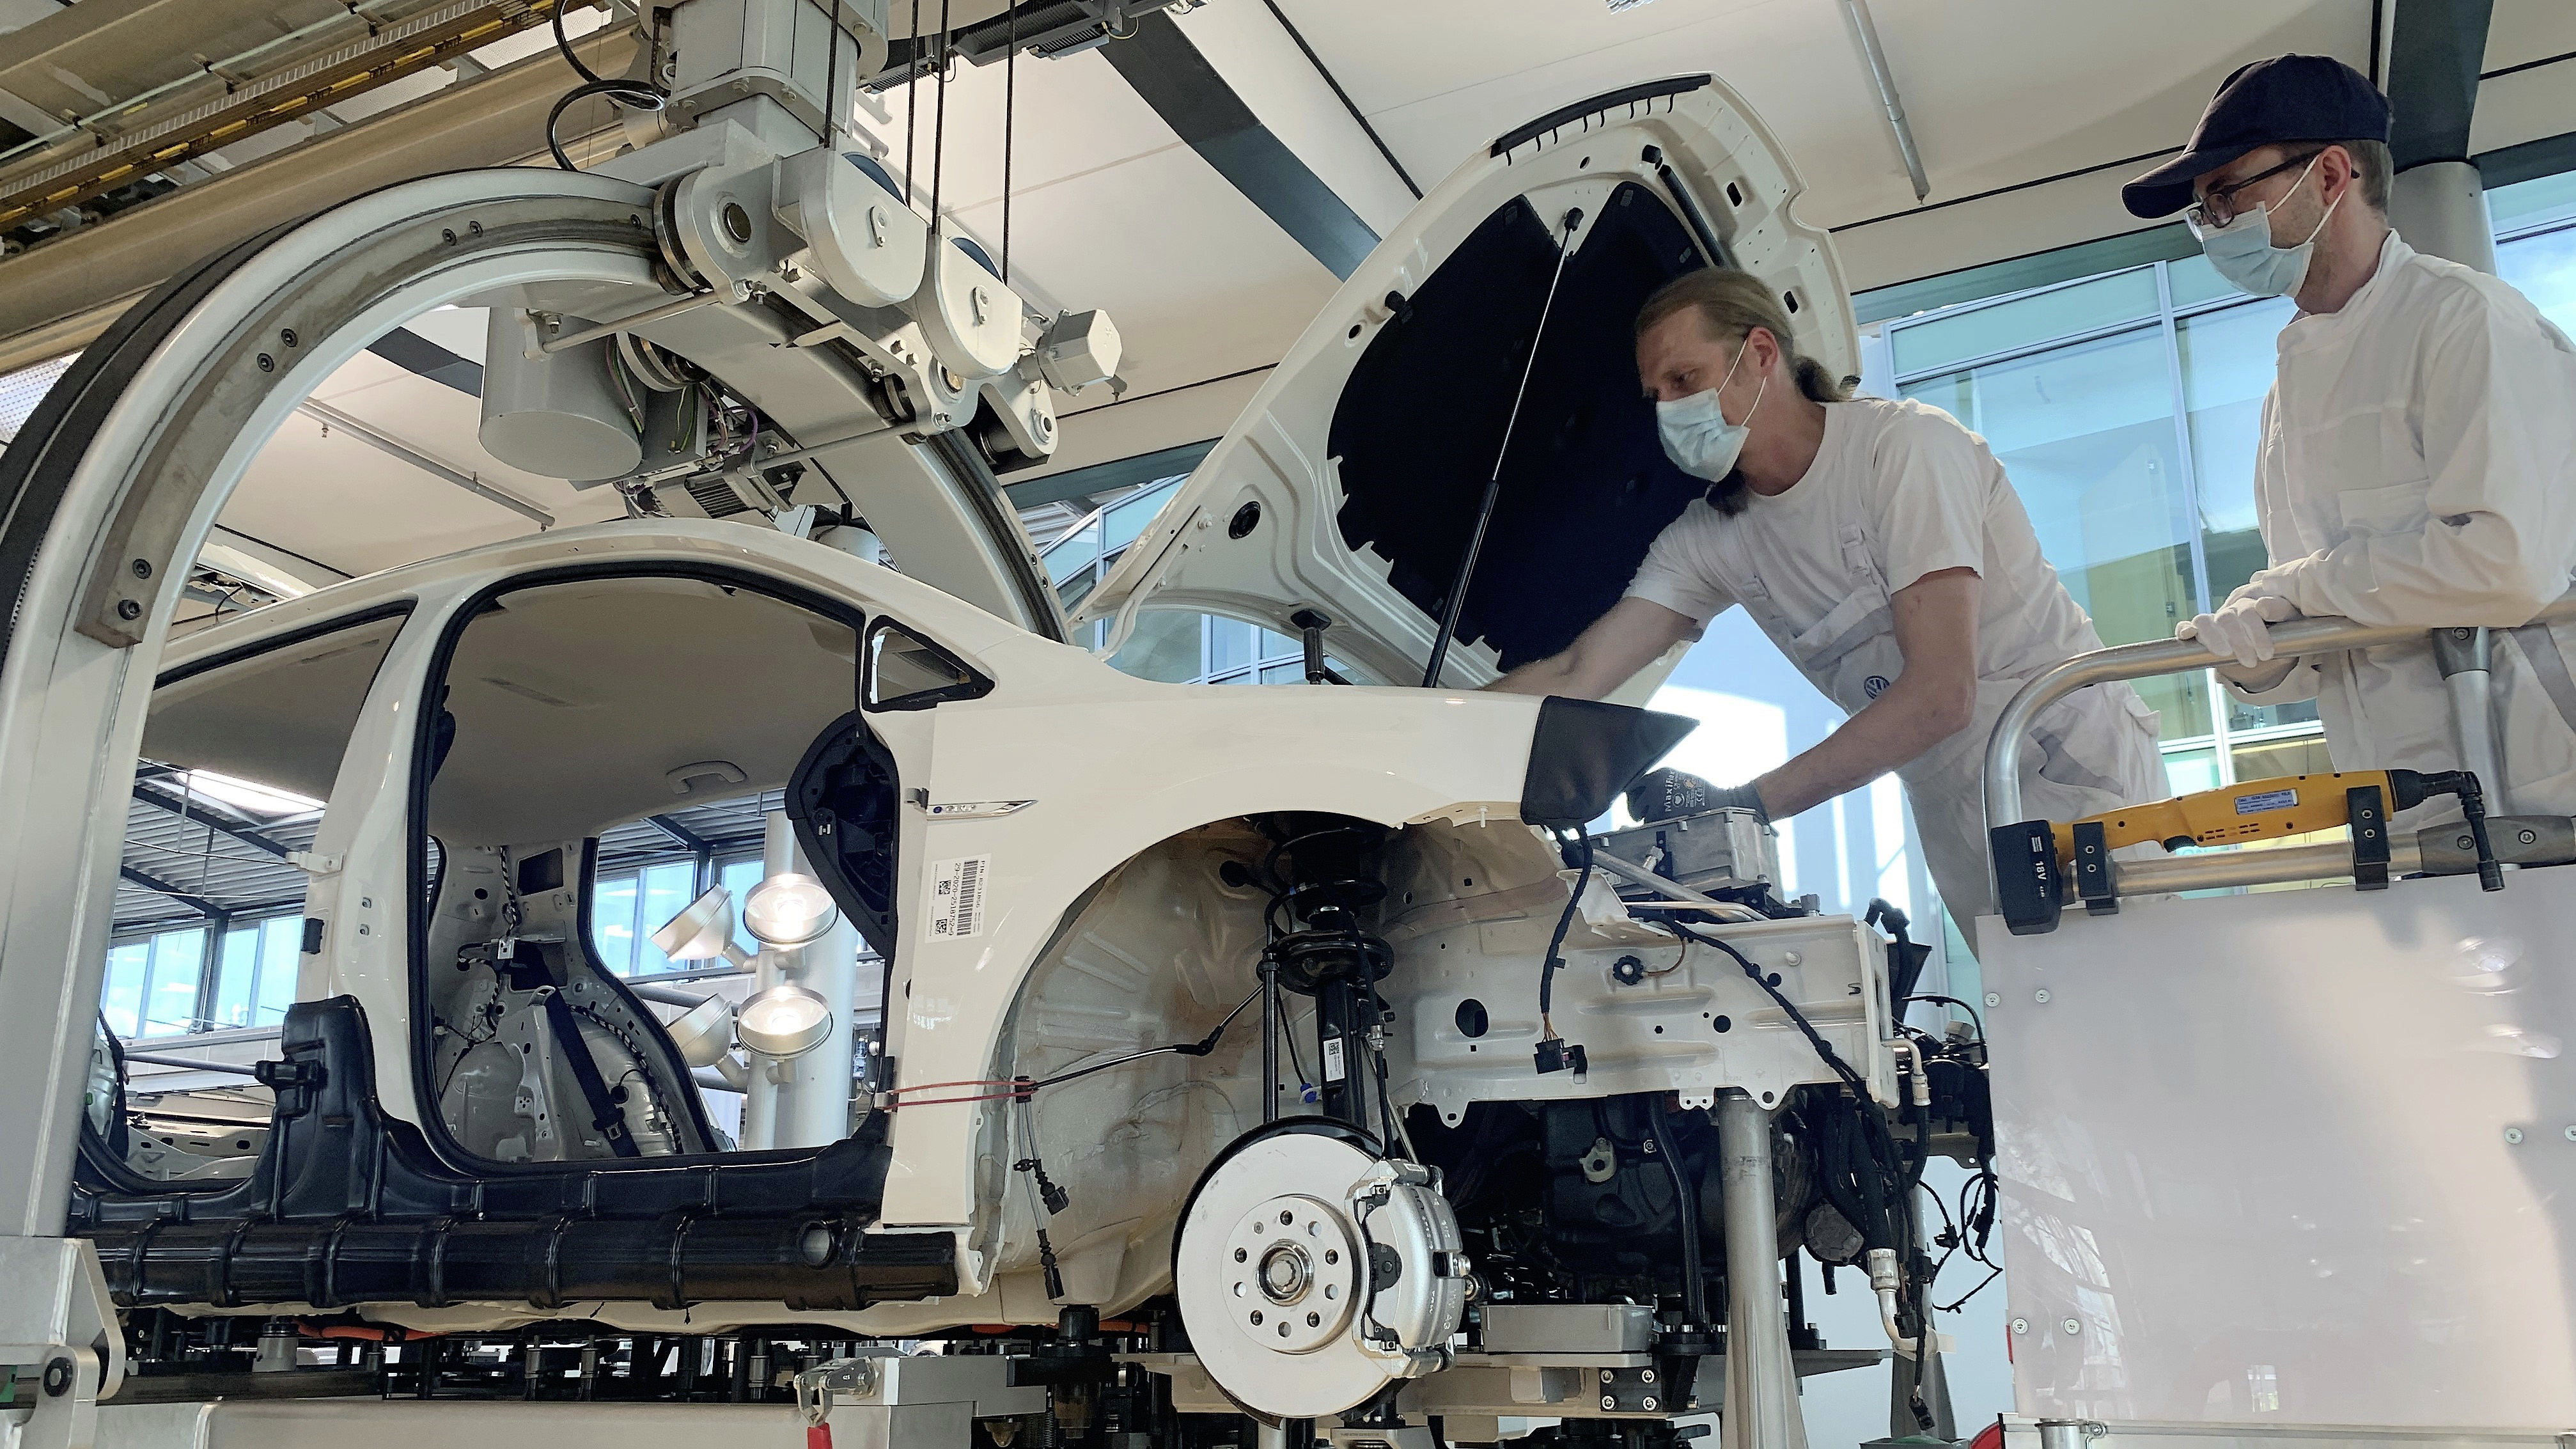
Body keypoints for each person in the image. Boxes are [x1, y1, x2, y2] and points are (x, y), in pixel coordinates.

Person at [1490, 268, 2166, 950]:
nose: (1668, 409)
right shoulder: (1709, 538)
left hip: (2068, 771)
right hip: (1954, 808)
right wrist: (1442, 724)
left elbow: (1941, 695)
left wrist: (1740, 805)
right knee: (2028, 1011)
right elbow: (1577, 672)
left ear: (1760, 354)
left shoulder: (1904, 450)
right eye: (1655, 395)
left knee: (2142, 996)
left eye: (1684, 379)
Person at [2123, 54, 2576, 820]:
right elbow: (2335, 631)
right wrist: (2258, 654)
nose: (2215, 228)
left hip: (2547, 798)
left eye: (2227, 196)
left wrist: (2298, 590)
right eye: (2203, 212)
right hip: (2408, 813)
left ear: (2331, 175)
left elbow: (2507, 565)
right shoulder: (2285, 398)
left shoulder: (2465, 321)